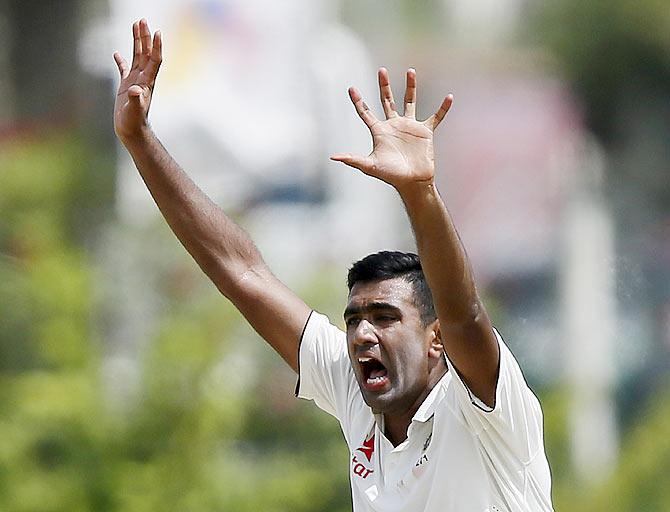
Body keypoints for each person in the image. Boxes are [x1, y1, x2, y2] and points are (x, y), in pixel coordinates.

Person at [113, 19, 554, 512]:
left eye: (386, 318)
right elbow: (245, 276)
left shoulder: (482, 407)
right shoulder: (355, 392)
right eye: (354, 320)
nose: (363, 334)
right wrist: (140, 141)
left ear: (436, 340)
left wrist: (419, 192)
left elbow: (464, 314)